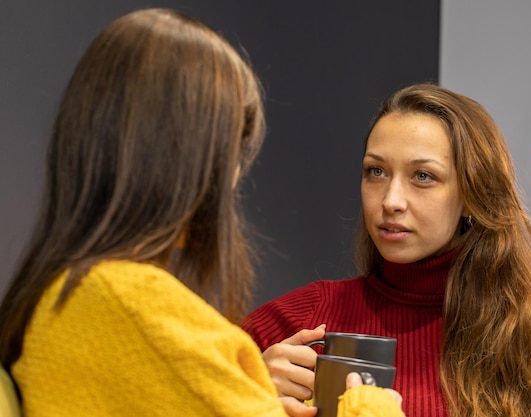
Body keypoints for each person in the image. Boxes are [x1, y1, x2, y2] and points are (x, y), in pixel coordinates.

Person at [0, 8, 404, 417]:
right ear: (194, 161)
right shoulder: (130, 304)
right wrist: (370, 407)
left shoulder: (59, 297)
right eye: (232, 154)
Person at [241, 83, 531, 417]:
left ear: (472, 196)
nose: (391, 200)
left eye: (423, 176)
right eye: (376, 171)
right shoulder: (298, 323)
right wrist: (246, 396)